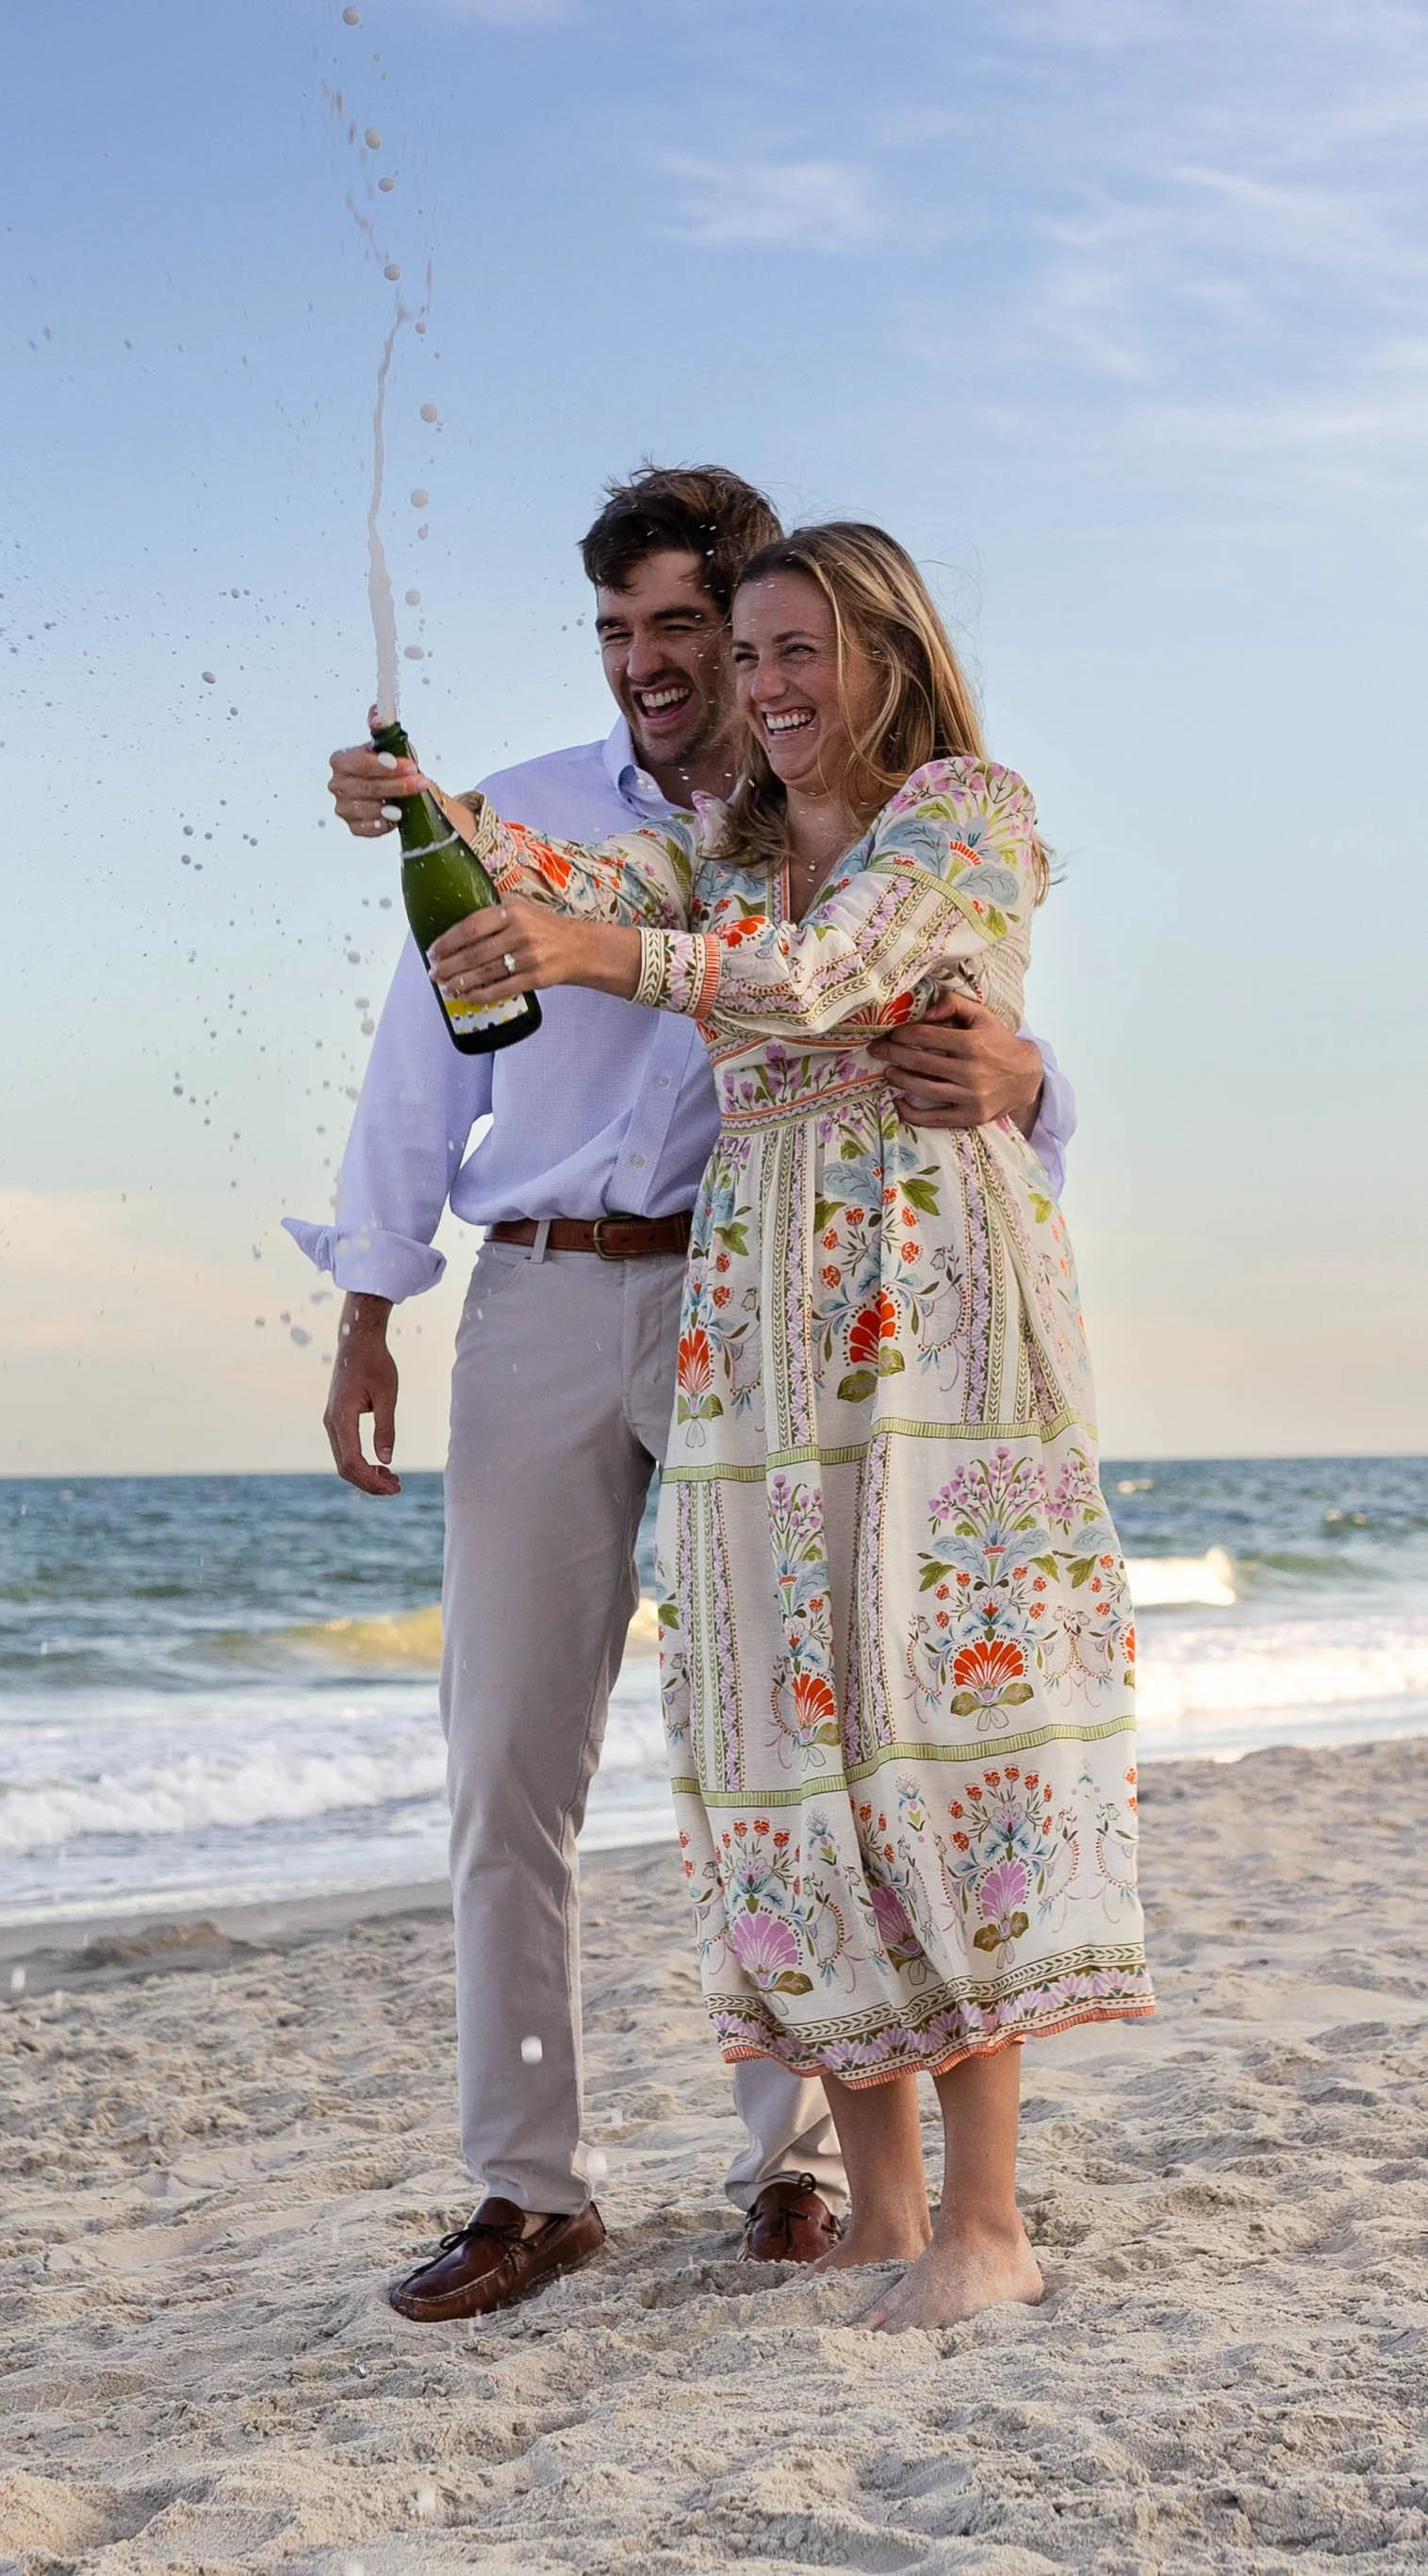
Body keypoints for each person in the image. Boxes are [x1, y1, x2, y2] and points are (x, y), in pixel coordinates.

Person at [332, 518, 1150, 2333]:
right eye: (748, 655)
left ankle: (983, 2220)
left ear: (883, 652)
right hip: (753, 1308)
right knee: (783, 1742)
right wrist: (425, 817)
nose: (766, 689)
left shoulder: (966, 810)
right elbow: (569, 869)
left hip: (923, 1307)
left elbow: (831, 972)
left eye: (795, 652)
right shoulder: (720, 840)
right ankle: (859, 2209)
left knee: (936, 1722)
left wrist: (620, 956)